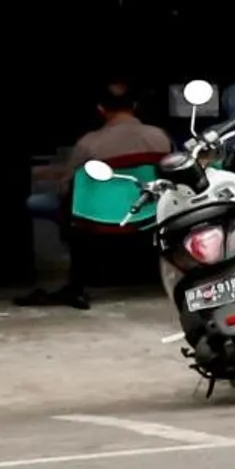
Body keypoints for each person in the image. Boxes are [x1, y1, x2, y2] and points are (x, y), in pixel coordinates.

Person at [17, 79, 171, 309]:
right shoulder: (160, 137)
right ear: (135, 106)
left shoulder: (90, 143)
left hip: (96, 218)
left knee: (40, 202)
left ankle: (75, 279)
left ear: (101, 109)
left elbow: (67, 186)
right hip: (149, 215)